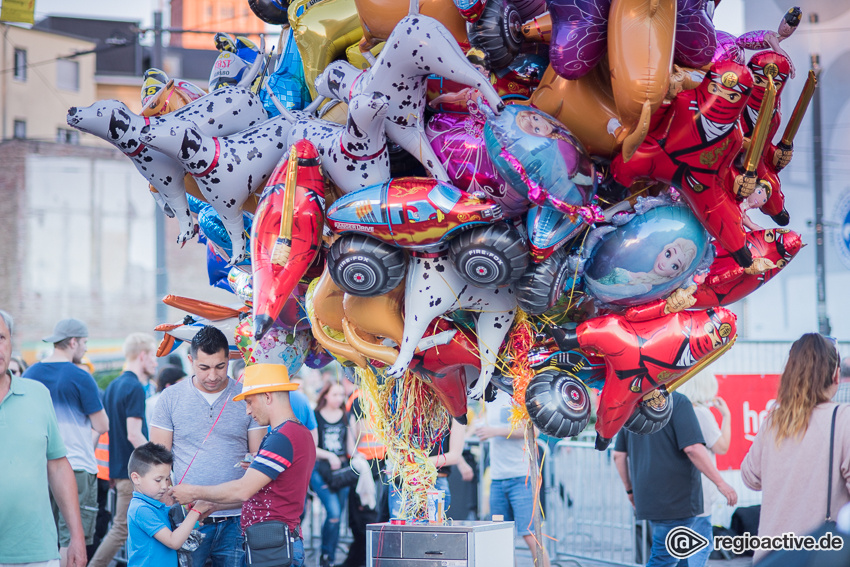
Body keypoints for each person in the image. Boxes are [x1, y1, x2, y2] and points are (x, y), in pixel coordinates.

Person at [171, 363, 317, 567]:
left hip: (273, 547)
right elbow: (266, 496)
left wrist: (193, 491)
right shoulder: (293, 433)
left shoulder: (283, 437)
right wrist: (213, 505)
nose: (247, 411)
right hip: (272, 544)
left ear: (267, 396)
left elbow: (243, 490)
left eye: (249, 402)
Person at [150, 326, 265, 567]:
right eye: (204, 368)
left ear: (229, 359)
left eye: (220, 367)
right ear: (191, 361)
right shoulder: (170, 399)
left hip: (237, 518)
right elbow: (158, 463)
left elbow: (257, 459)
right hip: (189, 521)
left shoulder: (247, 397)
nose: (212, 376)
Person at [741, 333, 850, 564]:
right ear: (835, 374)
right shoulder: (843, 418)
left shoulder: (774, 419)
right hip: (818, 555)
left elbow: (750, 477)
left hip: (770, 557)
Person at [0, 310, 87, 567]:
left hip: (37, 551)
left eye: (1, 337)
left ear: (11, 342)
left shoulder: (38, 394)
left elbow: (58, 466)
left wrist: (77, 536)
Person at [613, 391, 738, 567]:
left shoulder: (631, 403)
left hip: (650, 498)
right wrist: (721, 483)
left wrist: (630, 491)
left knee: (677, 556)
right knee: (665, 559)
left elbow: (618, 455)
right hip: (676, 500)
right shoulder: (677, 401)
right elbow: (693, 448)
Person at [24, 318, 109, 566]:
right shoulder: (80, 377)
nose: (85, 348)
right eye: (84, 343)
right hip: (76, 467)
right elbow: (102, 425)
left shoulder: (31, 373)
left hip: (40, 467)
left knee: (46, 535)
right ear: (73, 342)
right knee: (71, 538)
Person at [89, 333, 157, 567]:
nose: (156, 363)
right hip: (133, 473)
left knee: (129, 529)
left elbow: (104, 432)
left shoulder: (114, 386)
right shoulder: (134, 387)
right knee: (121, 529)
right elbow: (133, 433)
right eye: (153, 356)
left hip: (118, 472)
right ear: (142, 355)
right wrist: (159, 460)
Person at [477, 390, 550, 567]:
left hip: (521, 477)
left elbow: (532, 430)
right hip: (497, 478)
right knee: (501, 535)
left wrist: (494, 431)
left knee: (530, 534)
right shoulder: (488, 397)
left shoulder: (519, 394)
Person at [126, 442, 214, 567]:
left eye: (167, 479)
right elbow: (173, 541)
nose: (164, 486)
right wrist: (195, 512)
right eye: (158, 480)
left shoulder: (154, 505)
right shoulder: (141, 509)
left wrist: (191, 519)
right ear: (136, 478)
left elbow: (174, 530)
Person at [676, 374, 733, 567]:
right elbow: (722, 446)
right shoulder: (701, 413)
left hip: (678, 492)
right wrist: (727, 416)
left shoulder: (676, 411)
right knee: (701, 544)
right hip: (700, 493)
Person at [338, 388, 389, 567]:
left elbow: (356, 429)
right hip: (379, 461)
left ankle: (360, 560)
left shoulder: (359, 397)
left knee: (363, 517)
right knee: (372, 514)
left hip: (363, 463)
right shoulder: (382, 393)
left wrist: (351, 454)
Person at [312, 382, 356, 567]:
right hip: (320, 469)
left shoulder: (346, 416)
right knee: (334, 512)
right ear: (326, 395)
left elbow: (350, 447)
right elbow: (312, 447)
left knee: (337, 515)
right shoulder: (315, 416)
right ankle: (326, 554)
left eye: (341, 395)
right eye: (335, 394)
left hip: (341, 472)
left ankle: (328, 557)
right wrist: (329, 456)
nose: (339, 398)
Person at [388, 419, 466, 518]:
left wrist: (415, 462)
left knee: (431, 531)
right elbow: (392, 446)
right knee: (400, 531)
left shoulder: (455, 410)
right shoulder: (405, 406)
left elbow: (454, 456)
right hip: (404, 482)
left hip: (434, 483)